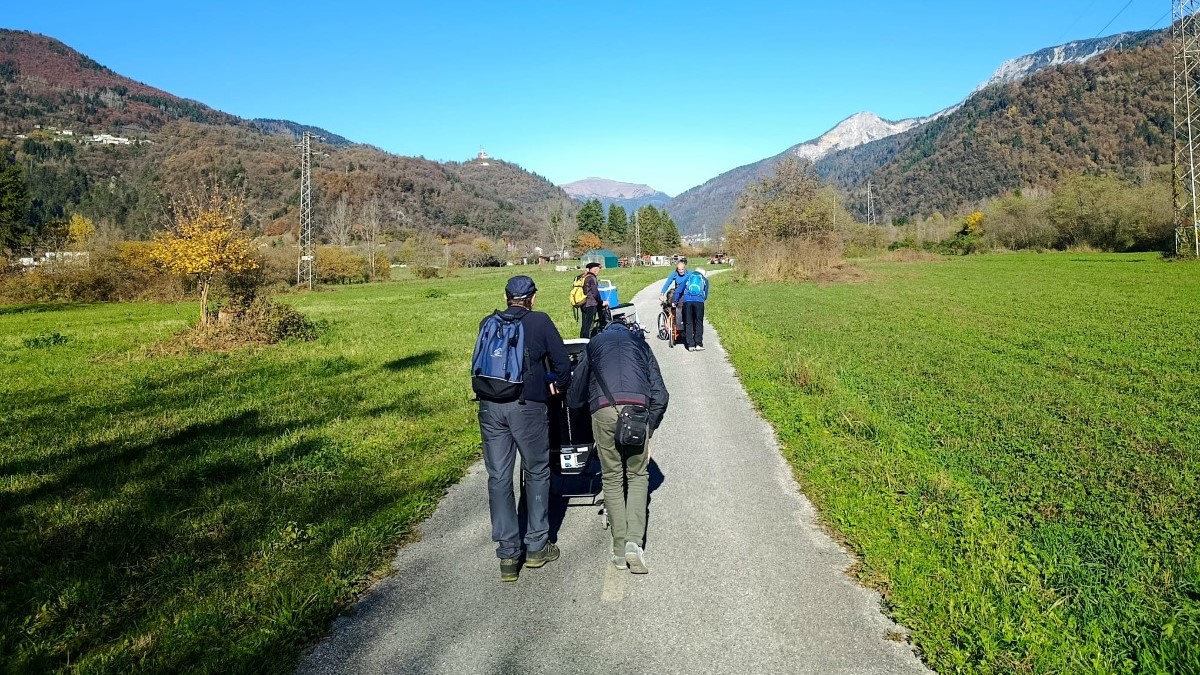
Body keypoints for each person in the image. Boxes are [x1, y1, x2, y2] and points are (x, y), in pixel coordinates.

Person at [475, 275, 572, 582]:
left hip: (490, 407)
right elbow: (562, 365)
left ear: (506, 297)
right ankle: (536, 546)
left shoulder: (487, 323)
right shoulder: (540, 321)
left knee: (498, 478)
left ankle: (507, 555)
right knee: (537, 471)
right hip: (527, 408)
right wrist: (556, 385)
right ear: (533, 298)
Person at [568, 316, 669, 574]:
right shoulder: (640, 344)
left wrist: (582, 423)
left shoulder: (594, 344)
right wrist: (648, 430)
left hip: (603, 410)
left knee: (612, 477)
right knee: (637, 475)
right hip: (637, 410)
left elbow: (575, 393)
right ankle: (634, 542)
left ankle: (619, 549)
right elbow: (661, 394)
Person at [673, 267, 710, 352]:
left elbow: (679, 290)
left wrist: (675, 301)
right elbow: (705, 294)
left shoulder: (688, 277)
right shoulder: (705, 280)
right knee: (699, 322)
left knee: (688, 322)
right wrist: (701, 300)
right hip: (699, 302)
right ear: (703, 274)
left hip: (687, 301)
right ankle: (698, 344)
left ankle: (690, 345)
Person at [579, 262, 606, 338]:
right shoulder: (592, 278)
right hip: (591, 304)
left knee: (585, 324)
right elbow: (595, 293)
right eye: (597, 269)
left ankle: (582, 340)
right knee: (589, 325)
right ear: (594, 270)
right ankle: (587, 341)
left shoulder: (584, 277)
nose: (598, 271)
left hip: (583, 303)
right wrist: (601, 302)